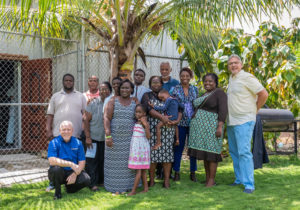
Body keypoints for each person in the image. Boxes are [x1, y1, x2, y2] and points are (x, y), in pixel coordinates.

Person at [227, 54, 268, 194]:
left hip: (244, 120)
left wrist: (255, 109)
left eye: (236, 62)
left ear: (241, 64)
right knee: (234, 152)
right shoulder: (231, 79)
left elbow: (263, 94)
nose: (233, 65)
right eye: (230, 63)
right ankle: (239, 179)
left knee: (244, 152)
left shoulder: (247, 77)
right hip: (232, 121)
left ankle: (249, 184)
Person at [46, 73, 86, 192]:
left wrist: (83, 129)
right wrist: (48, 130)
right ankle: (53, 182)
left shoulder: (80, 96)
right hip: (59, 133)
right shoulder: (55, 96)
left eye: (71, 80)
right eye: (66, 80)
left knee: (74, 158)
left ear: (74, 82)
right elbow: (50, 114)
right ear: (63, 82)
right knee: (56, 159)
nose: (68, 82)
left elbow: (85, 115)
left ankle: (72, 180)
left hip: (76, 133)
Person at [141, 76, 181, 188]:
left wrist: (177, 120)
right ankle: (152, 180)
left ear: (162, 84)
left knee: (167, 155)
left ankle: (166, 181)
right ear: (150, 85)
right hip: (153, 129)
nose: (156, 84)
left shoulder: (169, 96)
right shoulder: (147, 96)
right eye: (153, 82)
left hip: (168, 129)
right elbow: (148, 109)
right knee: (153, 155)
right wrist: (162, 118)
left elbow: (180, 109)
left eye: (158, 82)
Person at [188, 73, 228, 187]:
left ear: (216, 82)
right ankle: (207, 179)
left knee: (212, 153)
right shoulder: (205, 93)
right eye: (205, 81)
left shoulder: (219, 93)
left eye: (210, 81)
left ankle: (211, 180)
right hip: (201, 129)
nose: (207, 83)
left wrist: (220, 126)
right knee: (206, 154)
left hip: (212, 127)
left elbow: (223, 110)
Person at [103, 79, 138, 193]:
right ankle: (114, 187)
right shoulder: (113, 101)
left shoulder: (135, 102)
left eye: (127, 88)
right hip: (114, 139)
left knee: (128, 165)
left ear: (131, 90)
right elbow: (106, 118)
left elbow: (141, 117)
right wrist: (108, 135)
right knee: (113, 165)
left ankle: (128, 187)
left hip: (130, 140)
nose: (124, 90)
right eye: (122, 88)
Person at [47, 121, 90, 200]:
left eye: (68, 129)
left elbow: (82, 162)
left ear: (72, 131)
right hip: (59, 171)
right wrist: (70, 164)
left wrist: (75, 174)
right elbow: (52, 160)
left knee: (86, 179)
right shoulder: (54, 142)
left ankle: (70, 188)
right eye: (64, 130)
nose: (66, 132)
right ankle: (58, 192)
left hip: (72, 171)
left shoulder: (78, 143)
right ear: (60, 131)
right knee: (56, 169)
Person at [170, 67, 198, 182]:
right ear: (180, 76)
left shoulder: (195, 89)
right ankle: (176, 171)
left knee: (192, 148)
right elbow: (172, 104)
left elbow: (197, 104)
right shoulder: (174, 89)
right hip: (180, 122)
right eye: (182, 76)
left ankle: (193, 172)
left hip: (193, 122)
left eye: (187, 76)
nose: (184, 78)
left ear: (190, 77)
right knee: (178, 148)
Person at [84, 81, 112, 192]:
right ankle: (92, 184)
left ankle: (101, 181)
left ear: (110, 90)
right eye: (101, 89)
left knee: (102, 161)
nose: (104, 91)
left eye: (106, 89)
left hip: (105, 139)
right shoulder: (93, 103)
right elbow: (85, 120)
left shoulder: (112, 103)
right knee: (92, 162)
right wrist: (87, 137)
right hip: (93, 138)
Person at [128, 104, 151, 196]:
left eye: (139, 112)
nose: (137, 114)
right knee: (143, 171)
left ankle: (133, 191)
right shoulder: (137, 122)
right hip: (137, 149)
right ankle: (146, 188)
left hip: (141, 150)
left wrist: (145, 125)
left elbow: (148, 136)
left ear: (144, 113)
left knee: (139, 171)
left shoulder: (144, 123)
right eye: (136, 112)